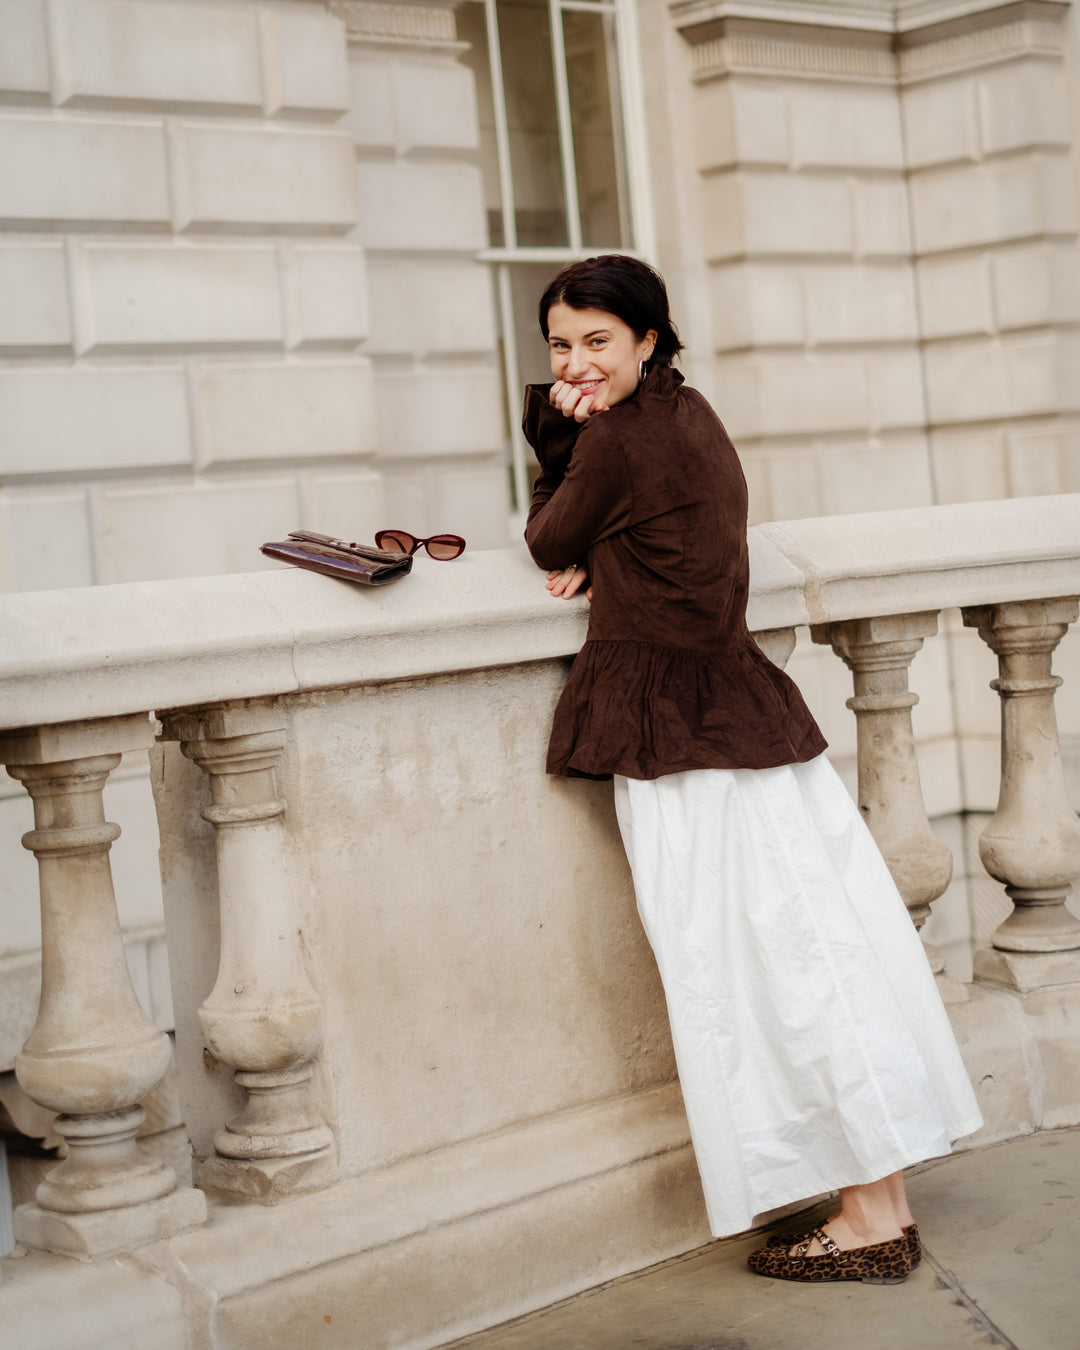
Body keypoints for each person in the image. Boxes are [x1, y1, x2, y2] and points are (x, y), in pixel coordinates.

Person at [522, 254, 982, 1286]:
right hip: (746, 723)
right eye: (560, 345)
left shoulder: (616, 441)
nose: (576, 361)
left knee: (769, 970)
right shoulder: (688, 413)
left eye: (597, 340)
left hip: (686, 743)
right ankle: (882, 1202)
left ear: (648, 340)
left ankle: (869, 1220)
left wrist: (564, 445)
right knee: (832, 953)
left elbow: (548, 533)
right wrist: (608, 532)